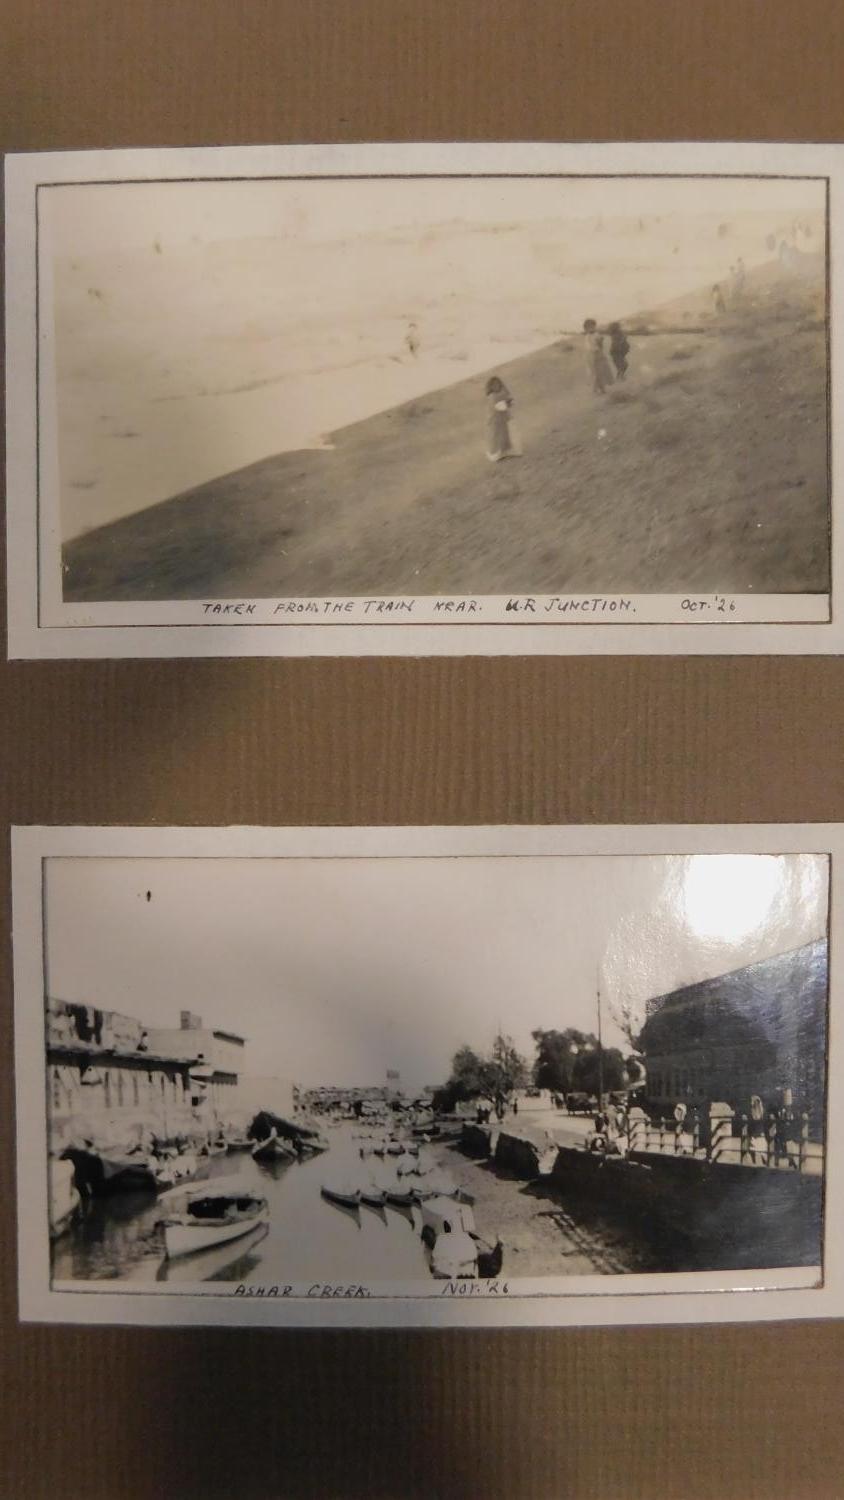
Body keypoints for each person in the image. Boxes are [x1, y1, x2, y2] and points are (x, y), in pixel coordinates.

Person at [485, 376, 521, 462]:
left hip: (504, 420)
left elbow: (509, 402)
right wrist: (508, 403)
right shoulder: (492, 397)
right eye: (494, 385)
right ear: (491, 387)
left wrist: (509, 401)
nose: (497, 386)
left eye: (498, 384)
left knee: (507, 435)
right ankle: (495, 455)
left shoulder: (502, 393)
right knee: (496, 438)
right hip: (496, 422)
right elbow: (501, 407)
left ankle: (507, 452)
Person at [582, 319, 613, 395]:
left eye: (592, 327)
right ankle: (596, 388)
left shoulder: (597, 335)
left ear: (594, 327)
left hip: (598, 355)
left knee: (600, 372)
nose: (590, 329)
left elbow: (600, 346)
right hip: (590, 356)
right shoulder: (587, 336)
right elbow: (588, 347)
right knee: (593, 373)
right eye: (588, 328)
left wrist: (599, 345)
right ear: (585, 329)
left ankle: (601, 389)